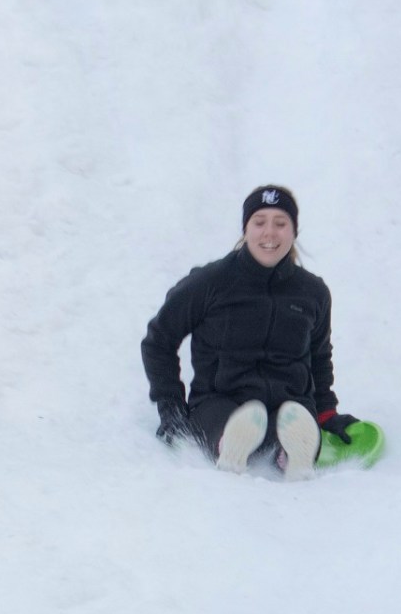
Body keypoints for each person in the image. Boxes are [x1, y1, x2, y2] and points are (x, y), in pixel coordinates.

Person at [141, 184, 359, 479]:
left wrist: (326, 413)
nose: (269, 233)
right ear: (246, 229)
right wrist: (171, 409)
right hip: (220, 400)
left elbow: (319, 357)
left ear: (294, 231)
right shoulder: (210, 283)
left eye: (281, 224)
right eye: (259, 222)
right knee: (235, 424)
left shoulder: (313, 292)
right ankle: (231, 446)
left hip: (290, 405)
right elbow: (159, 340)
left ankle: (294, 453)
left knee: (294, 422)